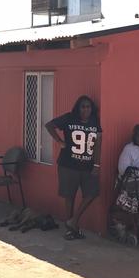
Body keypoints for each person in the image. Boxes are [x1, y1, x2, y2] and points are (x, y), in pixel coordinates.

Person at [45, 95, 102, 240]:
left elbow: (97, 144)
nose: (86, 109)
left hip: (88, 166)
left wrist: (96, 164)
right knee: (69, 196)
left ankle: (73, 221)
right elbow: (49, 125)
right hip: (68, 164)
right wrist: (59, 141)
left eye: (88, 106)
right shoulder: (69, 118)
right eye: (83, 106)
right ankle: (71, 230)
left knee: (92, 192)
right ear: (78, 107)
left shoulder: (95, 121)